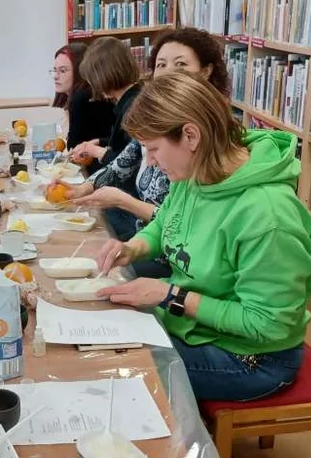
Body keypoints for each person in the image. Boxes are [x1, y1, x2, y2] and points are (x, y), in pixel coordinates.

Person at [95, 71, 311, 402]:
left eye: (153, 149)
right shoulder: (197, 172)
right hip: (199, 328)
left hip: (251, 357)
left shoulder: (267, 214)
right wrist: (133, 247)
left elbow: (267, 324)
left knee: (120, 371)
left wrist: (171, 294)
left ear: (190, 136)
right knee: (109, 340)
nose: (151, 163)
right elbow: (167, 222)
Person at [63, 28, 232, 277]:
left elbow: (193, 243)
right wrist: (85, 188)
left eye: (181, 64)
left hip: (172, 264)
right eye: (161, 64)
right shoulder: (161, 126)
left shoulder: (201, 155)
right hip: (156, 246)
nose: (149, 160)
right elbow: (168, 217)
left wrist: (171, 297)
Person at [69, 37, 142, 170]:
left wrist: (95, 151)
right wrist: (98, 142)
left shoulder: (133, 108)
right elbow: (124, 143)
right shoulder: (134, 97)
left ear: (101, 76)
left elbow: (129, 162)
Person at [52, 43, 116, 151]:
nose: (55, 76)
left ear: (80, 71)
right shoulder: (86, 93)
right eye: (54, 70)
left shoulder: (81, 98)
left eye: (62, 71)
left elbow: (72, 147)